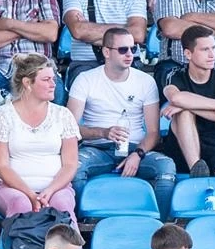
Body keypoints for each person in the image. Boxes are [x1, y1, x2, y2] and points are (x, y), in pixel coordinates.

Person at [68, 26, 176, 219]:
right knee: (74, 167)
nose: (129, 55)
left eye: (133, 49)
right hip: (98, 148)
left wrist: (138, 154)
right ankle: (79, 225)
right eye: (123, 49)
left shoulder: (145, 81)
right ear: (106, 52)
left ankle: (160, 227)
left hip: (135, 147)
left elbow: (153, 132)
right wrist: (103, 132)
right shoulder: (85, 79)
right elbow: (69, 128)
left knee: (166, 166)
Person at [0, 53, 80, 223]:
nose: (53, 84)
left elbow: (70, 164)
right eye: (46, 80)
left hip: (56, 188)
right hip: (10, 188)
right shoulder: (1, 115)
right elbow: (1, 166)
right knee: (21, 204)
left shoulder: (63, 115)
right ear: (27, 83)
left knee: (62, 205)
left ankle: (70, 242)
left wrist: (49, 191)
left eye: (53, 79)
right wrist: (30, 194)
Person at [161, 25, 215, 179]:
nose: (212, 55)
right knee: (184, 113)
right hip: (180, 144)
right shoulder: (174, 75)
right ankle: (196, 169)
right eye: (205, 50)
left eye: (213, 48)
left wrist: (186, 105)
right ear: (188, 53)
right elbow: (176, 98)